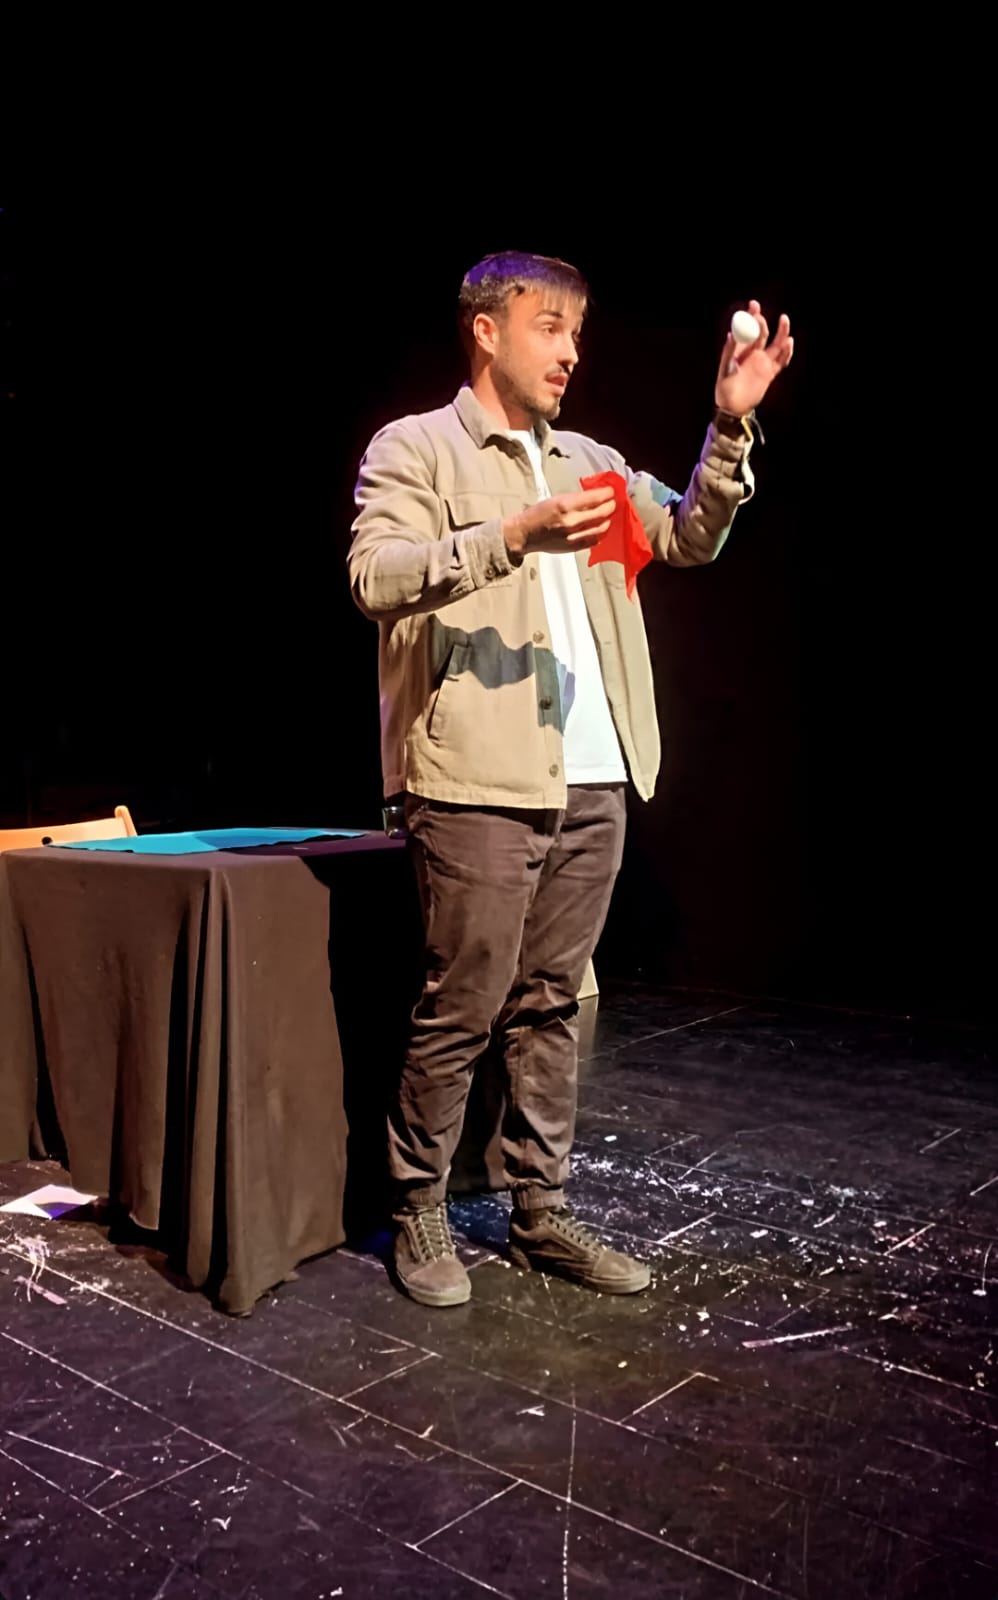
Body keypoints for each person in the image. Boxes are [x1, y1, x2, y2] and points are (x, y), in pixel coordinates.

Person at [348, 251, 793, 1307]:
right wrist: (511, 536)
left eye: (577, 333)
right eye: (549, 328)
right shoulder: (416, 447)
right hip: (476, 776)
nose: (570, 352)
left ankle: (539, 1210)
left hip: (593, 774)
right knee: (462, 1005)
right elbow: (374, 575)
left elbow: (688, 534)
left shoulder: (592, 461)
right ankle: (418, 1206)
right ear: (487, 330)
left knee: (550, 1005)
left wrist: (728, 425)